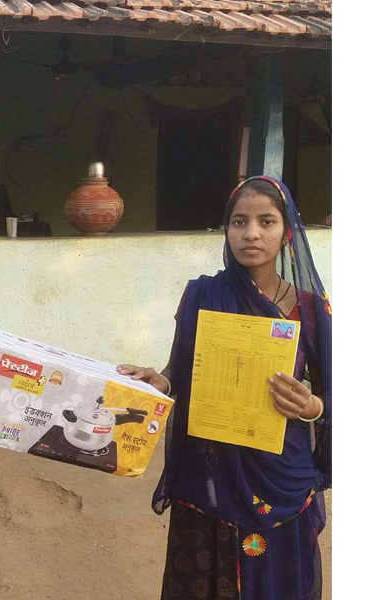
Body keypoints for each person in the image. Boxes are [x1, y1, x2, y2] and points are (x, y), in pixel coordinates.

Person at [117, 177, 331, 600]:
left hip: (278, 477)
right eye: (239, 222)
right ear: (227, 230)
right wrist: (160, 381)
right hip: (209, 474)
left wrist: (312, 406)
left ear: (286, 232)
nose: (251, 233)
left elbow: (339, 394)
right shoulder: (201, 294)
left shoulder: (309, 309)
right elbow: (177, 370)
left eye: (266, 221)